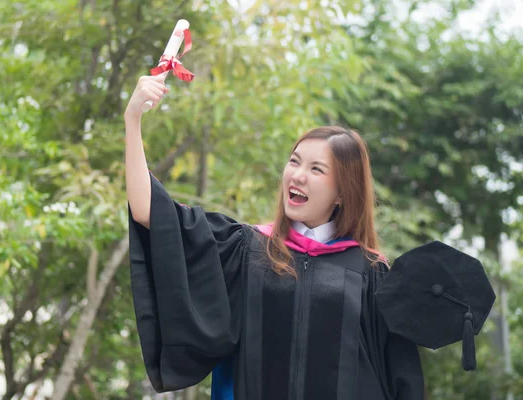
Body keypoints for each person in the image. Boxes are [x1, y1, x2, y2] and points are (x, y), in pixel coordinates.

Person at [124, 74, 424, 400]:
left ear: (341, 192)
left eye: (316, 169)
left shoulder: (370, 275)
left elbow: (399, 378)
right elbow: (150, 212)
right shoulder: (247, 248)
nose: (298, 175)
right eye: (294, 162)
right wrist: (133, 119)